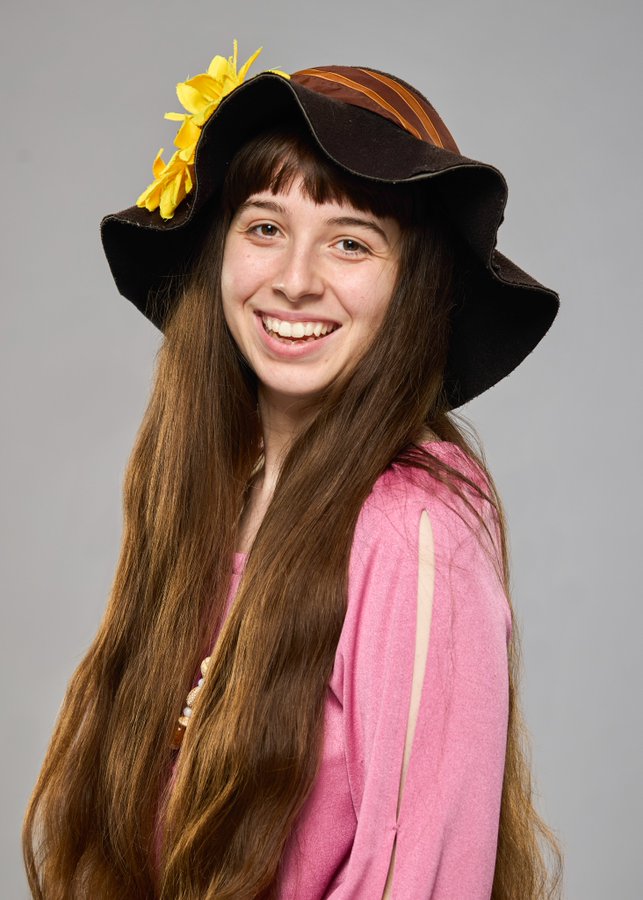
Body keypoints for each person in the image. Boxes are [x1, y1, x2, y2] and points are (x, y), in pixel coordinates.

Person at [23, 43, 564, 899]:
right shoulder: (216, 493)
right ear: (221, 251)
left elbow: (419, 881)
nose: (295, 281)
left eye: (350, 242)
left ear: (411, 287)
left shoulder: (410, 529)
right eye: (266, 227)